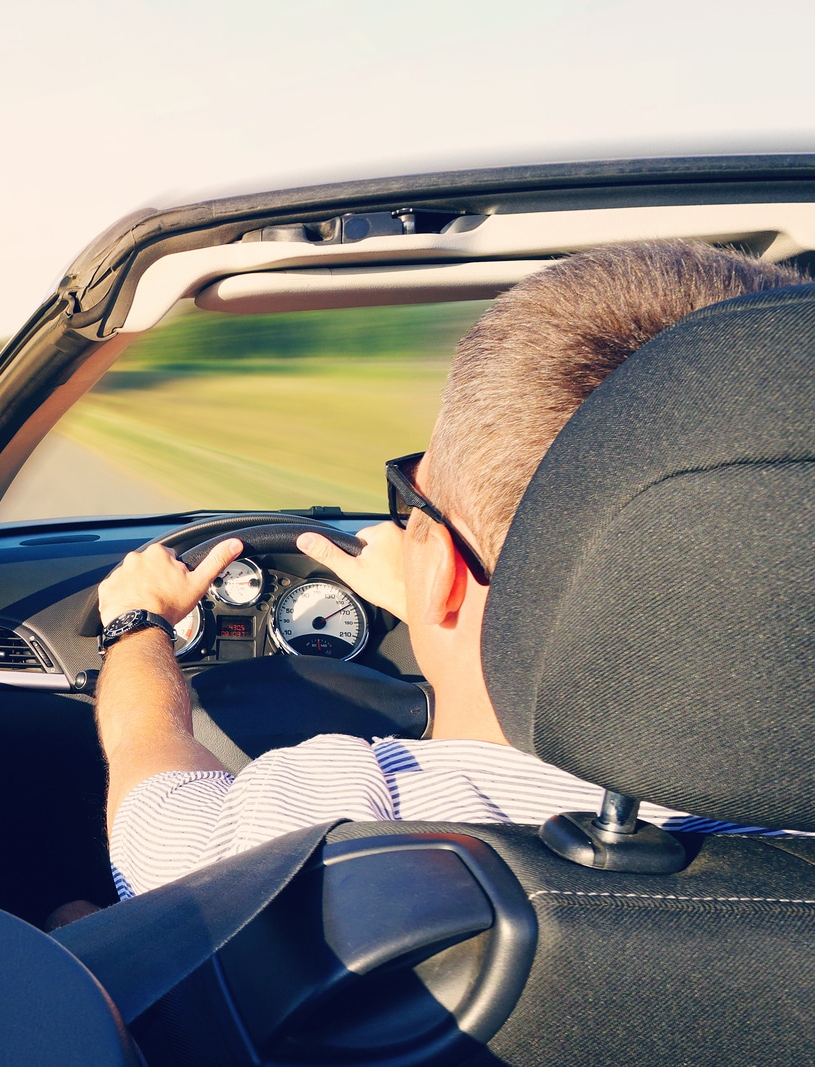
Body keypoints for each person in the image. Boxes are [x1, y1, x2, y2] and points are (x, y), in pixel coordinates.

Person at [94, 242, 808, 899]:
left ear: (437, 563)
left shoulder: (330, 814)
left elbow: (149, 790)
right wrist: (448, 590)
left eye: (415, 506)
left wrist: (138, 624)